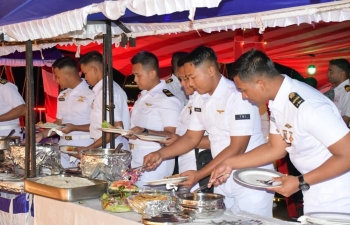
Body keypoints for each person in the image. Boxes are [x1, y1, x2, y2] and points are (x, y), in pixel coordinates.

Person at [209, 49, 350, 214]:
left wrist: (300, 182)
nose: (244, 97)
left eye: (243, 90)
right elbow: (275, 148)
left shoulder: (308, 105)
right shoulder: (279, 100)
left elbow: (347, 154)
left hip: (339, 195)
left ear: (261, 84)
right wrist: (229, 164)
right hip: (315, 190)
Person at [144, 46, 274, 217]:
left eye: (192, 77)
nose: (189, 84)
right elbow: (191, 138)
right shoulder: (199, 97)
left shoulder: (236, 96)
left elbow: (237, 148)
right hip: (221, 177)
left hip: (250, 179)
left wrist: (199, 175)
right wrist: (161, 154)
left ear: (211, 70)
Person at [128, 51, 182, 187]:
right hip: (137, 157)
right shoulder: (143, 96)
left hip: (156, 162)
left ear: (152, 73)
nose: (135, 79)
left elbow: (172, 136)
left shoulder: (166, 99)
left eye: (138, 75)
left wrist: (143, 132)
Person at [160, 56, 211, 192]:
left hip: (202, 167)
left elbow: (218, 139)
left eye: (186, 78)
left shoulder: (207, 101)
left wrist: (179, 140)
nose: (182, 84)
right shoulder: (192, 101)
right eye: (181, 78)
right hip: (187, 165)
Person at [36, 57, 94, 168]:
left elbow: (99, 125)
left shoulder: (91, 93)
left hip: (84, 144)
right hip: (63, 146)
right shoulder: (63, 95)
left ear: (69, 75)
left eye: (57, 77)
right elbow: (59, 123)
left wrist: (74, 127)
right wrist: (42, 134)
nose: (56, 80)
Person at [77, 51, 130, 155]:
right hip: (107, 145)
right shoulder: (106, 89)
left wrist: (88, 149)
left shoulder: (106, 92)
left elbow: (116, 129)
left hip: (110, 148)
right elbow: (106, 124)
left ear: (94, 70)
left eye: (85, 73)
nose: (85, 77)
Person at [326, 59, 350, 125]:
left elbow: (346, 120)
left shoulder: (348, 92)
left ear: (342, 74)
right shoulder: (334, 90)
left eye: (331, 71)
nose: (327, 75)